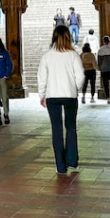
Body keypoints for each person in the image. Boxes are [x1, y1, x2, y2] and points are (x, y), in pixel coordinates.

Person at [37, 25, 85, 174]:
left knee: (56, 129)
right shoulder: (73, 55)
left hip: (53, 96)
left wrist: (42, 94)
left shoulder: (47, 56)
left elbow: (41, 78)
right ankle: (72, 161)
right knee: (70, 127)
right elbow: (81, 76)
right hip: (70, 96)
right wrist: (76, 88)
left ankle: (60, 165)